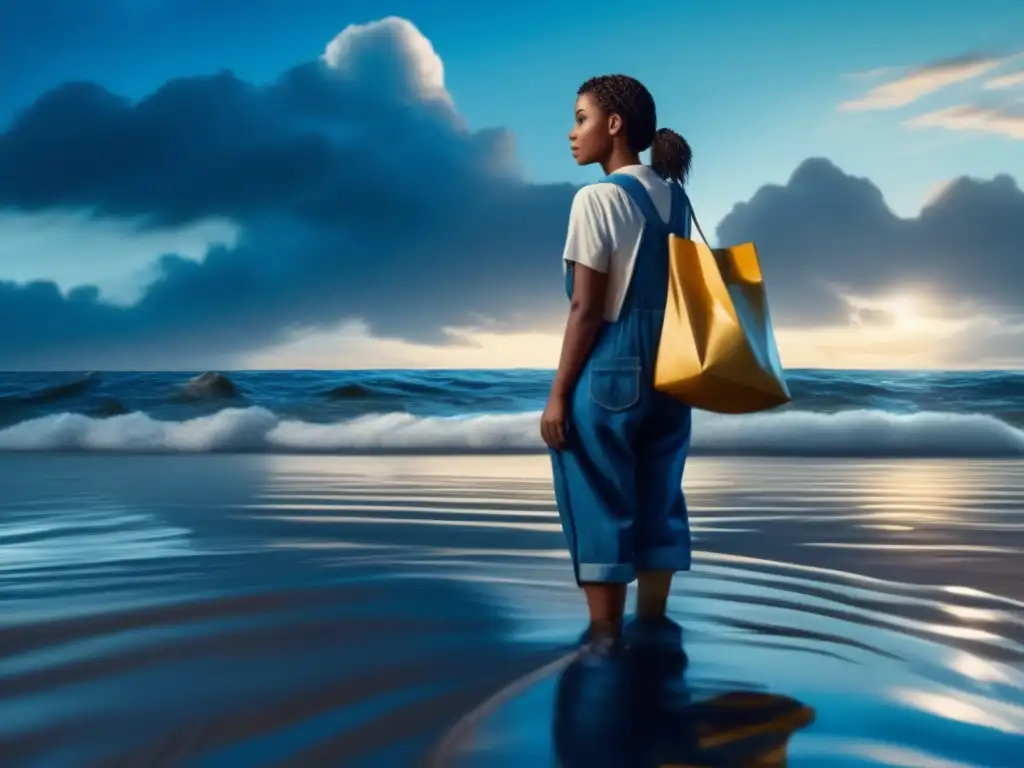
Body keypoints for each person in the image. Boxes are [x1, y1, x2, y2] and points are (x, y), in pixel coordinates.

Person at [540, 74, 695, 651]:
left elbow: (586, 307)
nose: (572, 132)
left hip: (611, 366)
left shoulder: (596, 198)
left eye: (581, 118)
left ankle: (605, 641)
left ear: (613, 125)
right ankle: (654, 630)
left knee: (597, 494)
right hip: (673, 367)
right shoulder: (676, 198)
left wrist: (558, 395)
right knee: (660, 493)